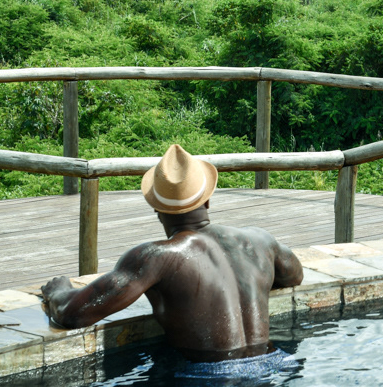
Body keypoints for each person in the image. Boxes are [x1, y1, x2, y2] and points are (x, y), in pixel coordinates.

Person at [41, 144, 303, 361]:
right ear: (208, 200)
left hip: (209, 384)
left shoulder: (154, 258)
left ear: (157, 208)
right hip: (271, 365)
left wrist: (58, 291)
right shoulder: (259, 241)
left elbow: (74, 314)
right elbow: (294, 275)